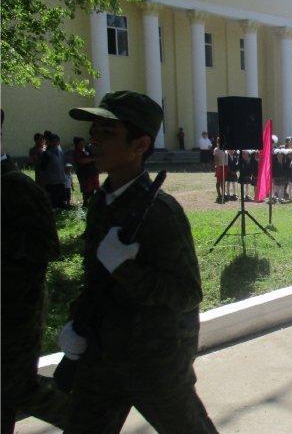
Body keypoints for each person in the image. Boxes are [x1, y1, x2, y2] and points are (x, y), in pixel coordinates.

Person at [60, 90, 217, 432]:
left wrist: (126, 269)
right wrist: (77, 321)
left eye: (107, 134)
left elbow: (187, 294)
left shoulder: (161, 212)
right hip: (102, 353)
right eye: (94, 131)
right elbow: (96, 279)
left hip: (153, 360)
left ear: (140, 145)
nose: (94, 141)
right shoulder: (102, 201)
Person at [2, 113, 70, 433]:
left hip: (13, 313)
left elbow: (48, 246)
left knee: (17, 387)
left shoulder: (15, 186)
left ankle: (90, 418)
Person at [40, 134, 66, 209]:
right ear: (50, 142)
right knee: (53, 201)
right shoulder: (46, 154)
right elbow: (42, 169)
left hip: (61, 180)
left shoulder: (60, 152)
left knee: (61, 201)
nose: (56, 143)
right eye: (53, 141)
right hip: (51, 182)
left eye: (57, 141)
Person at [73, 137, 100, 207]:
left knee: (96, 190)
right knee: (87, 192)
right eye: (80, 144)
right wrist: (93, 158)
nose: (82, 145)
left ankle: (94, 205)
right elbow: (82, 161)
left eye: (83, 143)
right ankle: (86, 206)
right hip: (84, 175)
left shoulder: (87, 149)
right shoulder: (76, 152)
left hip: (93, 173)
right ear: (76, 144)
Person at [213, 137, 228, 202]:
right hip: (220, 166)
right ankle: (219, 194)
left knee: (224, 181)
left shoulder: (225, 148)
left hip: (225, 166)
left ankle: (223, 193)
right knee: (219, 181)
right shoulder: (217, 149)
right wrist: (217, 166)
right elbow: (215, 158)